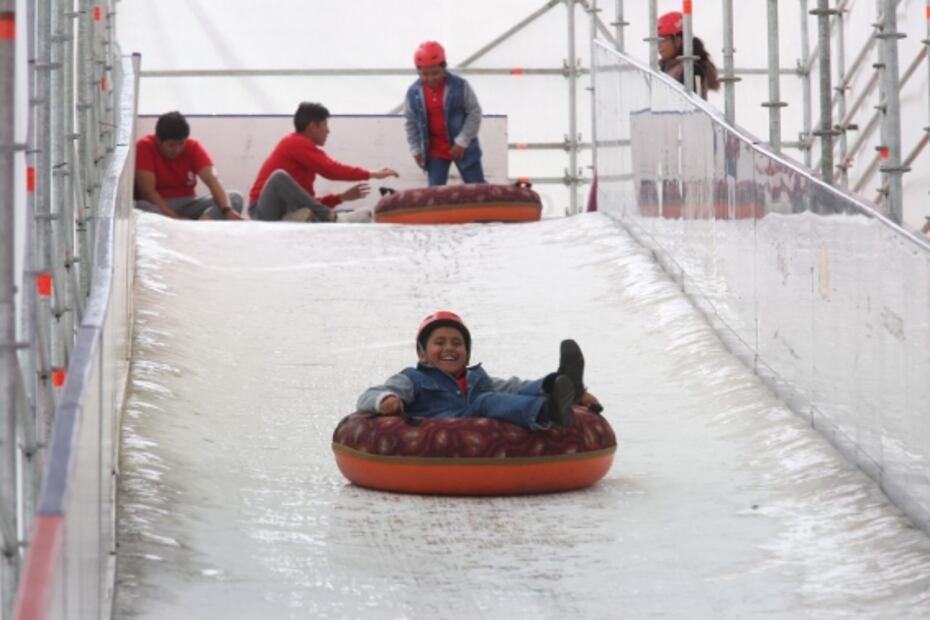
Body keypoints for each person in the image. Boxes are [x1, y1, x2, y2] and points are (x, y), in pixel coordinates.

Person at [356, 311, 601, 430]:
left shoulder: (476, 378)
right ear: (422, 353)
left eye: (456, 343)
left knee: (513, 389)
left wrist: (570, 392)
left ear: (467, 352)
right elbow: (368, 395)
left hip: (478, 416)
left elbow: (514, 387)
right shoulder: (412, 378)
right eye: (439, 343)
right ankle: (549, 411)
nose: (449, 348)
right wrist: (386, 400)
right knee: (486, 401)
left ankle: (562, 383)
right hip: (447, 424)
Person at [249, 102, 398, 223]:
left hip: (285, 210)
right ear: (312, 127)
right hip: (261, 212)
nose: (328, 131)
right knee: (278, 177)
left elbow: (308, 201)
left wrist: (341, 197)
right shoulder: (294, 143)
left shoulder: (304, 152)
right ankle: (332, 218)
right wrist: (372, 174)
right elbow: (332, 170)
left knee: (361, 215)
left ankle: (325, 217)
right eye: (325, 125)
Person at [404, 41, 486, 186]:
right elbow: (410, 123)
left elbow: (474, 113)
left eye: (435, 73)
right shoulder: (413, 93)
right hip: (435, 152)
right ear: (418, 71)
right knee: (434, 194)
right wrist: (416, 150)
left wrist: (462, 142)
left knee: (477, 188)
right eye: (425, 74)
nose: (431, 78)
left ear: (444, 67)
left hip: (464, 149)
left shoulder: (461, 86)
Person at [135, 111, 244, 220]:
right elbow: (148, 192)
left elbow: (212, 179)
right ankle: (188, 227)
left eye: (181, 143)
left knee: (234, 198)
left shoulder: (193, 147)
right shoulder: (144, 146)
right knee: (139, 207)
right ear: (158, 140)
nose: (177, 149)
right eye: (171, 145)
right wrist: (175, 219)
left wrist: (227, 210)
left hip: (189, 203)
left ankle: (200, 227)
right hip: (160, 206)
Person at [657, 11, 720, 99]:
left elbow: (688, 108)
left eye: (663, 40)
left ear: (678, 40)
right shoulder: (664, 68)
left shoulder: (691, 69)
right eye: (657, 40)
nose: (658, 46)